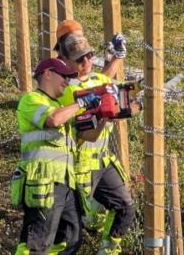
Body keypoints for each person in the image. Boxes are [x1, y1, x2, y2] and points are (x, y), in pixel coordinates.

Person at [55, 20, 135, 255]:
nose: (87, 61)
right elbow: (88, 135)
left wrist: (118, 56)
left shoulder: (90, 79)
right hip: (80, 166)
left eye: (89, 56)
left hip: (103, 162)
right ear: (65, 60)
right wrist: (104, 117)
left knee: (125, 206)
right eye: (80, 59)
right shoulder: (69, 90)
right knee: (71, 233)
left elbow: (103, 80)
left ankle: (107, 251)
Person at [14, 57, 108, 255]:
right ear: (47, 73)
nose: (67, 81)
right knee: (38, 242)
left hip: (66, 183)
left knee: (71, 238)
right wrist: (80, 103)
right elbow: (54, 119)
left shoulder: (63, 108)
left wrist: (104, 115)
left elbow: (89, 137)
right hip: (43, 183)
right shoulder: (31, 100)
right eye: (64, 76)